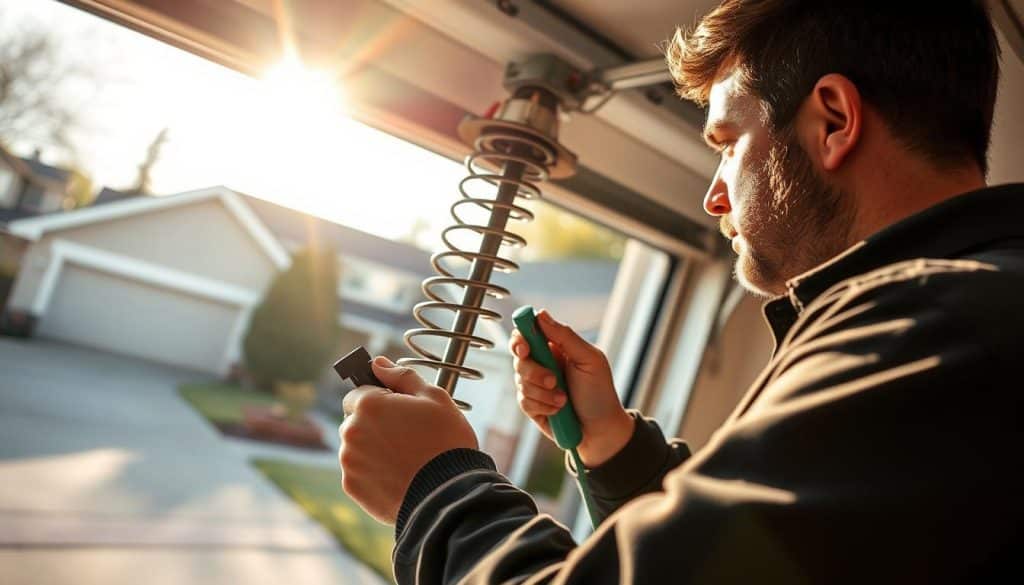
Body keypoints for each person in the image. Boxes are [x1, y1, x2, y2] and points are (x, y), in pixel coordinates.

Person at [338, 1, 1022, 582]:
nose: (713, 193)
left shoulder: (927, 333)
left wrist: (435, 486)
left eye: (727, 142)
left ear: (835, 121)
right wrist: (610, 441)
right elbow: (755, 563)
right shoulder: (968, 329)